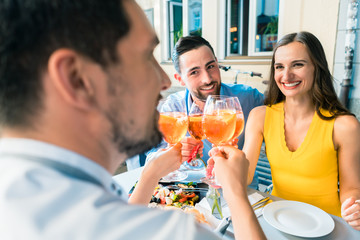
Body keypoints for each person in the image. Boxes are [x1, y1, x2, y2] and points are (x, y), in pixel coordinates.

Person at [0, 0, 266, 239]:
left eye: (211, 66)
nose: (162, 81)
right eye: (145, 56)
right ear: (76, 79)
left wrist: (150, 174)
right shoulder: (171, 232)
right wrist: (235, 191)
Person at [242, 31, 360, 230]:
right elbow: (243, 176)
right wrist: (224, 164)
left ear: (317, 68)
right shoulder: (259, 116)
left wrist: (354, 207)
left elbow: (352, 188)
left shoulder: (344, 125)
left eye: (298, 64)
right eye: (279, 67)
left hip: (330, 225)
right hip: (277, 221)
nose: (286, 76)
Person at [146, 36, 264, 189]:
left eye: (210, 67)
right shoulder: (173, 108)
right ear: (180, 79)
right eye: (194, 72)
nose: (207, 79)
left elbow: (287, 113)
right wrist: (173, 152)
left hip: (243, 188)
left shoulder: (248, 97)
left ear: (217, 63)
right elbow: (150, 159)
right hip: (194, 191)